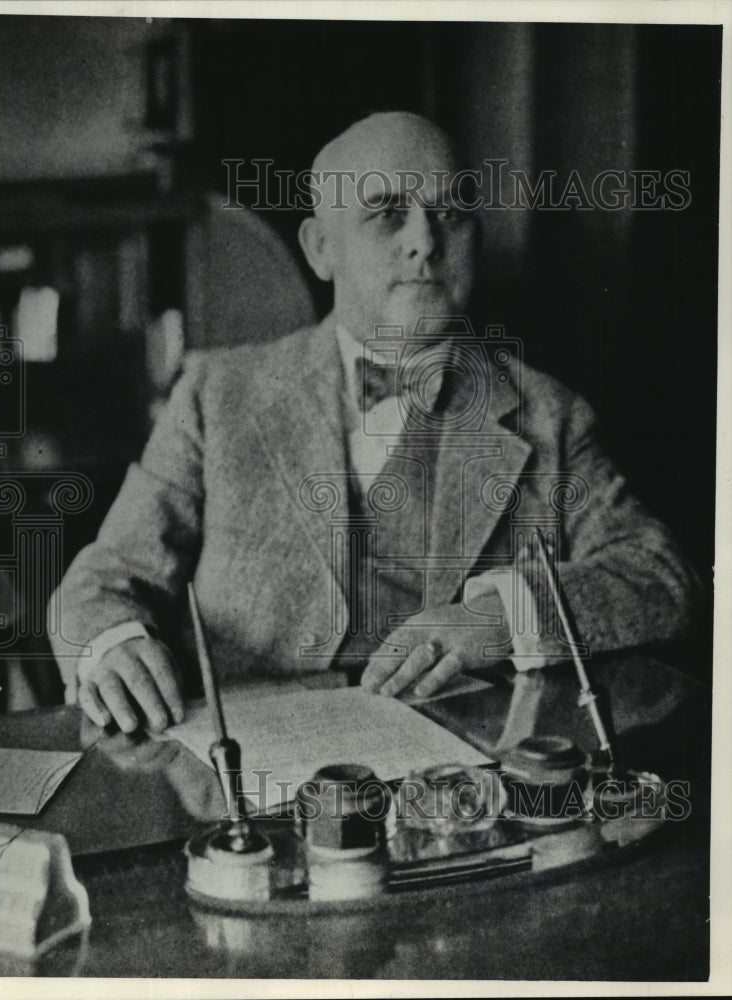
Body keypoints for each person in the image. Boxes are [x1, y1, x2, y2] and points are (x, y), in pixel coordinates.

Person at [49, 112, 700, 736]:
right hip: (249, 790)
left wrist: (502, 619)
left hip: (461, 792)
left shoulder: (550, 415)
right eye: (388, 213)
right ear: (320, 248)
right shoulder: (216, 396)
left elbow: (662, 578)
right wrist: (110, 644)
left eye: (450, 214)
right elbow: (103, 579)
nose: (424, 240)